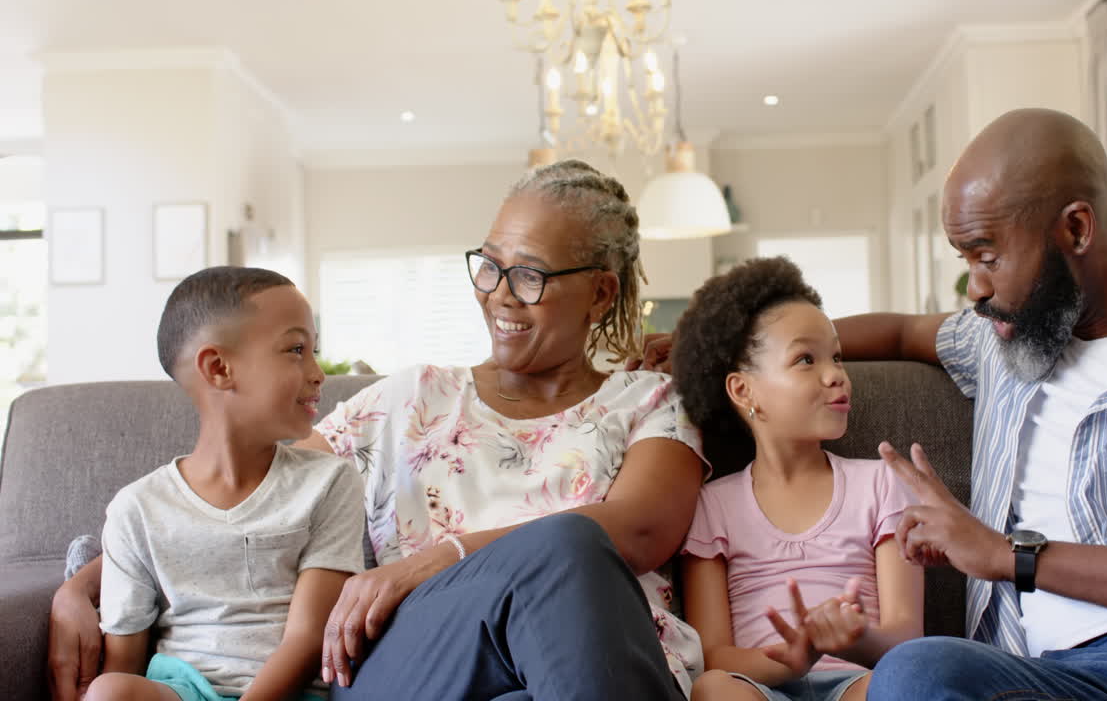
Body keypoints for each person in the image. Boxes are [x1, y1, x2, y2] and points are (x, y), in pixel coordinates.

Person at [641, 108, 1107, 699]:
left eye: (987, 256)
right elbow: (897, 332)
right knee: (918, 675)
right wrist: (711, 341)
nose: (974, 289)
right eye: (964, 259)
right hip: (1049, 676)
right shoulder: (1002, 333)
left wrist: (1009, 556)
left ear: (1076, 228)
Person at [49, 160, 708, 701]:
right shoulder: (412, 397)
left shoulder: (650, 400)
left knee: (570, 546)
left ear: (600, 294)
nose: (500, 294)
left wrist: (431, 561)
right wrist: (83, 585)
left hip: (587, 669)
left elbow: (638, 529)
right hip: (418, 667)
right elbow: (245, 490)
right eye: (490, 266)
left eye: (529, 275)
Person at [84, 266, 366, 701]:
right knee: (109, 692)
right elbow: (123, 666)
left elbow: (309, 637)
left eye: (314, 351)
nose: (317, 373)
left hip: (293, 692)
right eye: (295, 349)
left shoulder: (330, 481)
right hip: (181, 690)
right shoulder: (136, 509)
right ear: (218, 368)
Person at [671, 257, 923, 701]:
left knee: (904, 686)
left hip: (857, 681)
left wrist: (852, 638)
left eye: (837, 356)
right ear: (743, 390)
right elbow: (712, 655)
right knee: (712, 689)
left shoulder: (882, 483)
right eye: (806, 359)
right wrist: (793, 656)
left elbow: (907, 641)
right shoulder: (713, 505)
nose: (836, 375)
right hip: (760, 687)